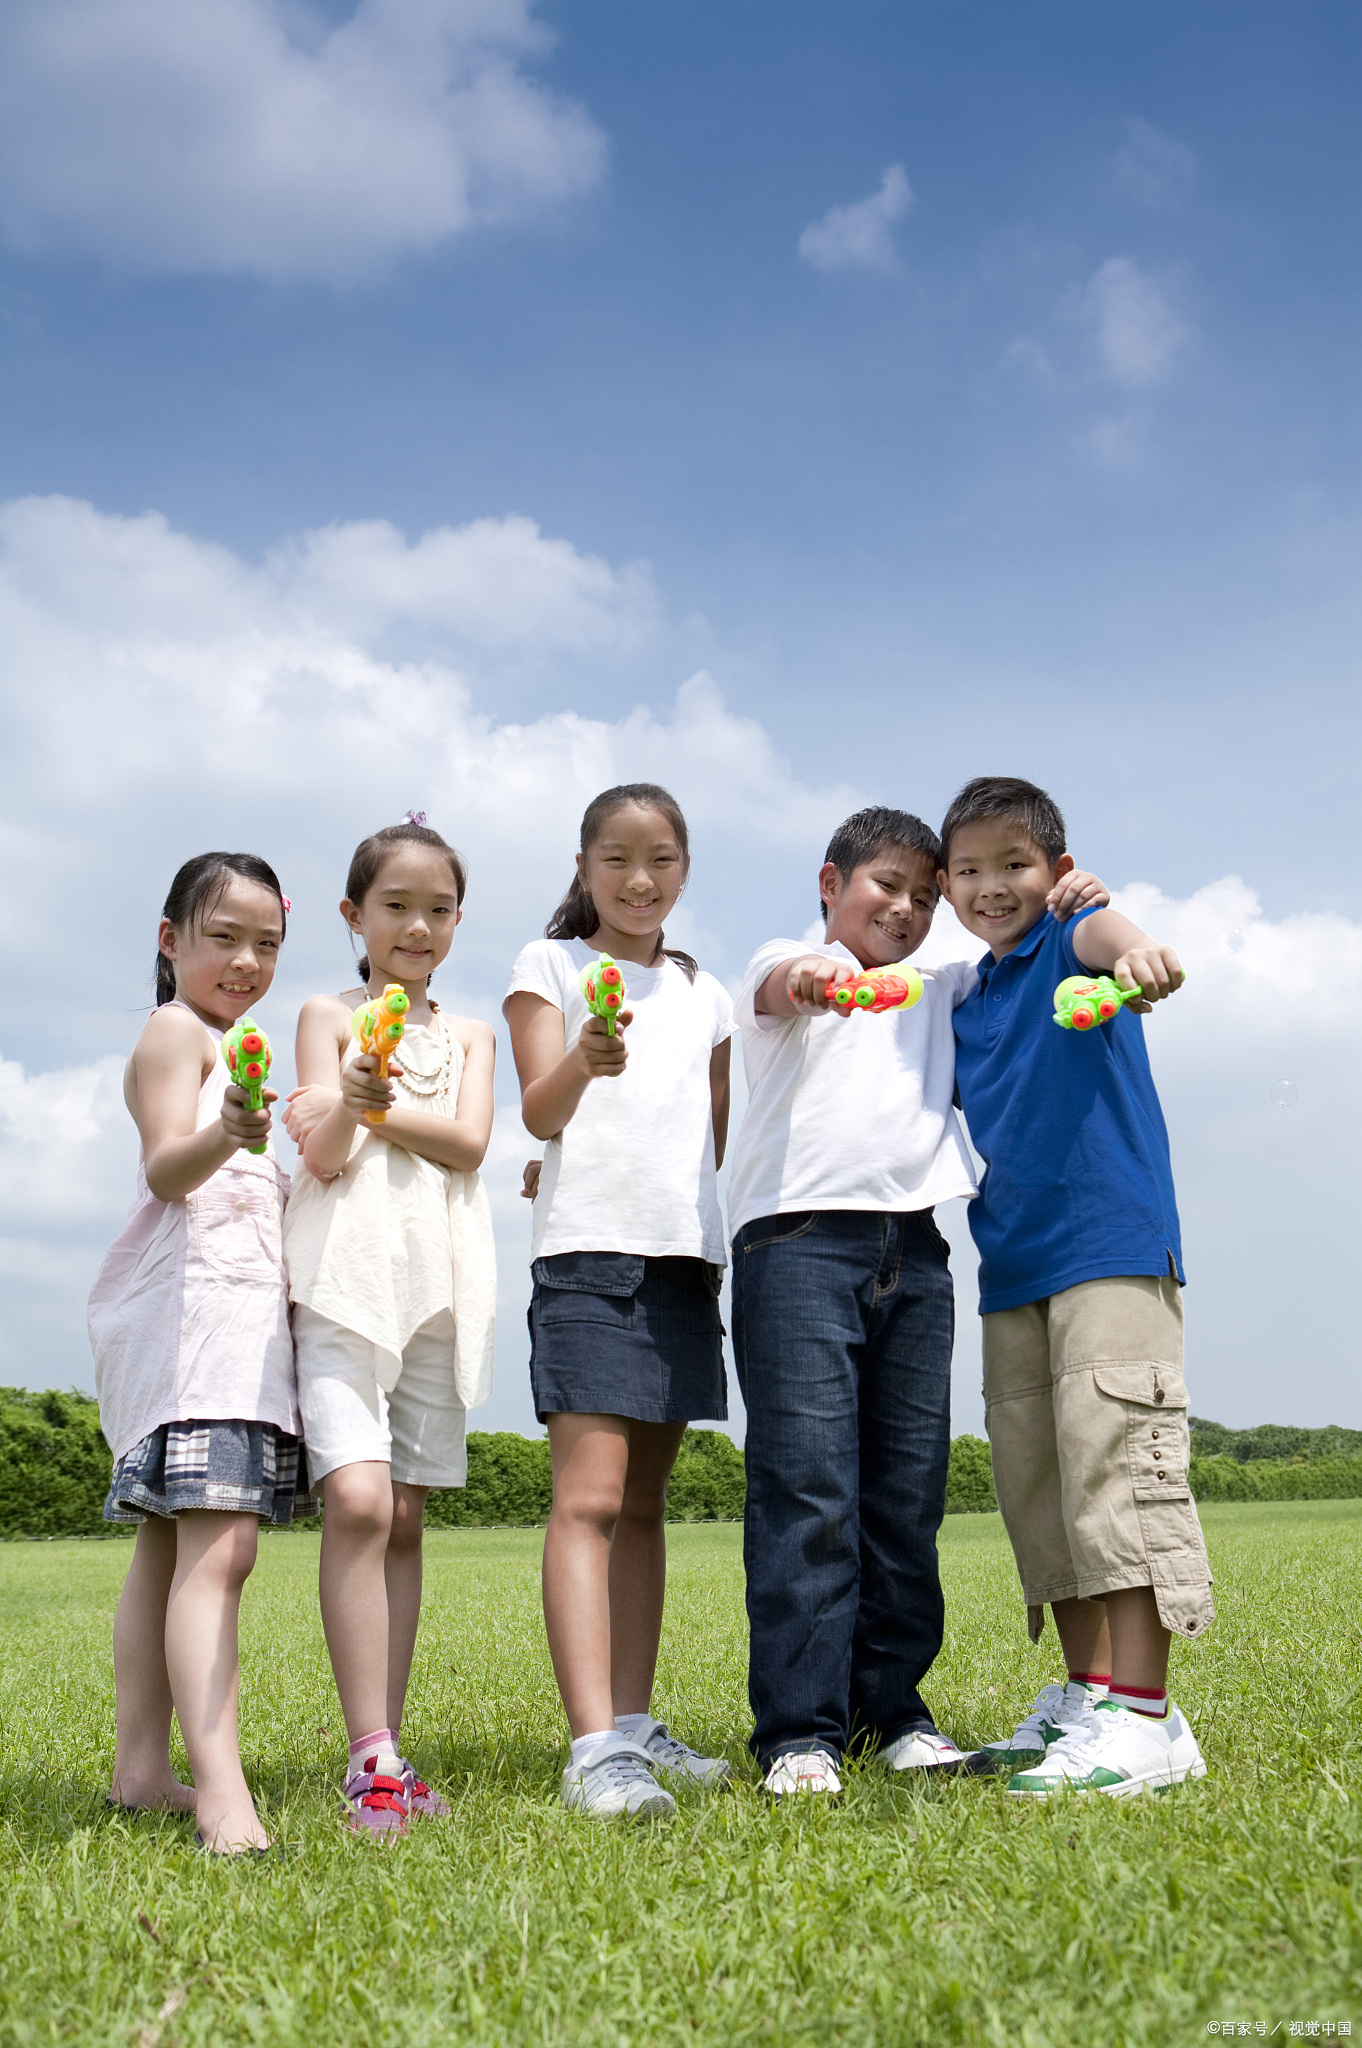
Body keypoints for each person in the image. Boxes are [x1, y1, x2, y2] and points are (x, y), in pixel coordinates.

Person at [727, 807, 1106, 1798]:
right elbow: (783, 986)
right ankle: (799, 1731)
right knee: (808, 1491)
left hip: (918, 1248)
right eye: (884, 884)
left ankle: (891, 1710)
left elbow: (1024, 957)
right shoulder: (784, 963)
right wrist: (822, 981)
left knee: (905, 1495)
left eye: (925, 895)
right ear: (830, 882)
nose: (905, 907)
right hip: (797, 1240)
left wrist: (1074, 902)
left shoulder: (946, 984)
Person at [938, 775, 1212, 1797]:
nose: (992, 883)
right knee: (1041, 1487)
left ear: (1054, 868)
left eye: (1014, 862)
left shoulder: (1073, 933)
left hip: (1108, 1245)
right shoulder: (969, 992)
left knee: (1115, 1468)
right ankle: (1091, 1697)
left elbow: (1120, 943)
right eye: (968, 868)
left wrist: (1138, 948)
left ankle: (1147, 1718)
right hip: (1012, 1263)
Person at [504, 783, 735, 1821]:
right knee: (588, 1500)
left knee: (644, 1506)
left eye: (663, 859)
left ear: (685, 866)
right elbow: (538, 1110)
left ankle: (635, 1726)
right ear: (585, 865)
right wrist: (587, 1062)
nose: (641, 880)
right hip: (590, 1257)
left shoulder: (708, 992)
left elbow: (722, 1136)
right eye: (617, 859)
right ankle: (593, 1746)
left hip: (686, 1257)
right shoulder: (549, 965)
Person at [281, 815, 496, 1836]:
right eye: (396, 905)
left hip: (439, 1284)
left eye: (438, 907)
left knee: (404, 1516)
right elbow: (320, 1154)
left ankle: (385, 1751)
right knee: (360, 1502)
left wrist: (369, 1110)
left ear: (459, 918)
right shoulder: (326, 1013)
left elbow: (470, 1143)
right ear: (353, 915)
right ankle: (370, 1754)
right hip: (340, 1277)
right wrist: (347, 1100)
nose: (418, 924)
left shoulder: (470, 1034)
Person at [90, 851, 307, 1856]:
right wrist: (228, 1129)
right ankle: (222, 1795)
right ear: (170, 938)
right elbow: (167, 1166)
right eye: (223, 935)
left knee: (171, 1547)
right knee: (222, 1548)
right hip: (198, 1329)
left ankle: (143, 1767)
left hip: (212, 1329)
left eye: (267, 942)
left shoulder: (241, 1043)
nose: (247, 958)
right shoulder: (178, 1031)